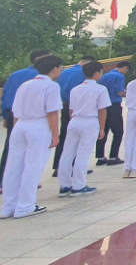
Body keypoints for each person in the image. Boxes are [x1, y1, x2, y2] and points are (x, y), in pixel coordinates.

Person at [1, 54, 63, 218]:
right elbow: (52, 112)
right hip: (39, 125)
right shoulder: (51, 86)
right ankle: (25, 205)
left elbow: (15, 111)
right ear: (54, 68)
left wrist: (16, 129)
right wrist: (55, 135)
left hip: (20, 124)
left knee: (13, 167)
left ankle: (8, 206)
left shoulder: (25, 85)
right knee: (33, 166)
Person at [57, 60, 109, 197]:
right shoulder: (100, 89)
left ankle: (64, 185)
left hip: (74, 121)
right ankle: (79, 185)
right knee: (83, 154)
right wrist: (102, 128)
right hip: (89, 121)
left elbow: (71, 109)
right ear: (97, 73)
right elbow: (102, 111)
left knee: (67, 153)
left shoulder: (76, 89)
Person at [2, 49, 51, 186]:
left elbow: (6, 95)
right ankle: (28, 181)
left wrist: (6, 116)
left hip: (15, 115)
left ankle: (4, 182)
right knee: (33, 151)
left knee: (11, 149)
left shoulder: (16, 75)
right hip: (35, 119)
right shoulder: (43, 78)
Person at [53, 55, 95, 176]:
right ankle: (78, 166)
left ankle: (58, 166)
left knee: (65, 135)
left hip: (65, 105)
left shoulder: (64, 72)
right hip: (79, 108)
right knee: (79, 138)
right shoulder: (83, 73)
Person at [95, 61, 127, 167]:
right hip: (114, 106)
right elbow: (119, 92)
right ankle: (113, 156)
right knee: (118, 132)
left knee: (103, 130)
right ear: (124, 68)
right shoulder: (120, 76)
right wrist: (127, 92)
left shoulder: (104, 75)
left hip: (103, 106)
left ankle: (100, 157)